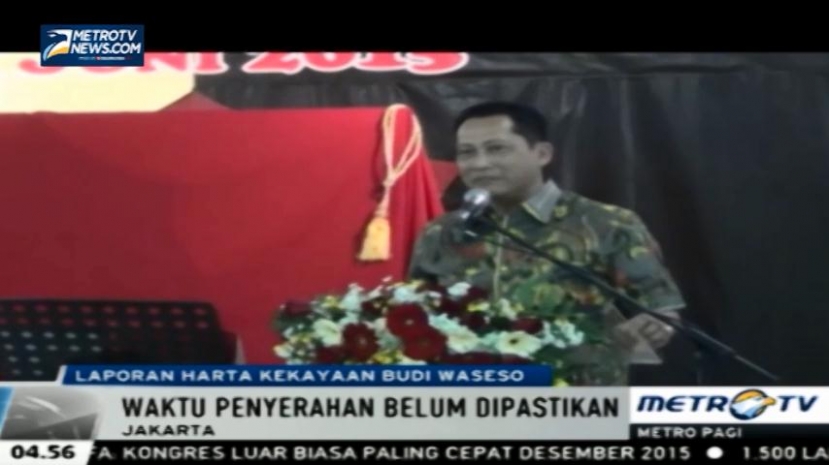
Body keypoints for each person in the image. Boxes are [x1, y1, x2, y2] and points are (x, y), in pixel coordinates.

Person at [408, 102, 685, 385]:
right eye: (467, 152)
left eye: (496, 149)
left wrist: (655, 325)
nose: (480, 163)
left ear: (542, 154)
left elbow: (660, 307)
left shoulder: (605, 223)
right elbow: (414, 310)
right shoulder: (442, 232)